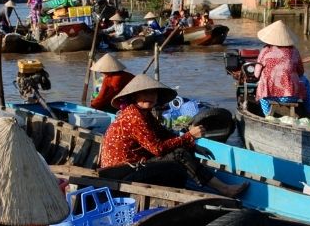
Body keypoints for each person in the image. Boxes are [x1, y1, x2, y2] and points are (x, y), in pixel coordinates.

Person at [98, 74, 246, 197]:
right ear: (134, 96)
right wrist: (190, 137)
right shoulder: (134, 116)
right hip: (120, 173)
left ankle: (212, 186)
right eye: (144, 93)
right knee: (179, 154)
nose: (149, 97)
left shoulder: (144, 114)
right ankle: (224, 189)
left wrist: (192, 145)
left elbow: (165, 135)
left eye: (152, 93)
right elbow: (158, 149)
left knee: (182, 150)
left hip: (132, 167)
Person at [253, 20, 310, 116]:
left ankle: (267, 115)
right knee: (305, 81)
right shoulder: (294, 51)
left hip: (268, 96)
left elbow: (256, 74)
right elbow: (300, 72)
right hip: (291, 95)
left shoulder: (265, 50)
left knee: (261, 83)